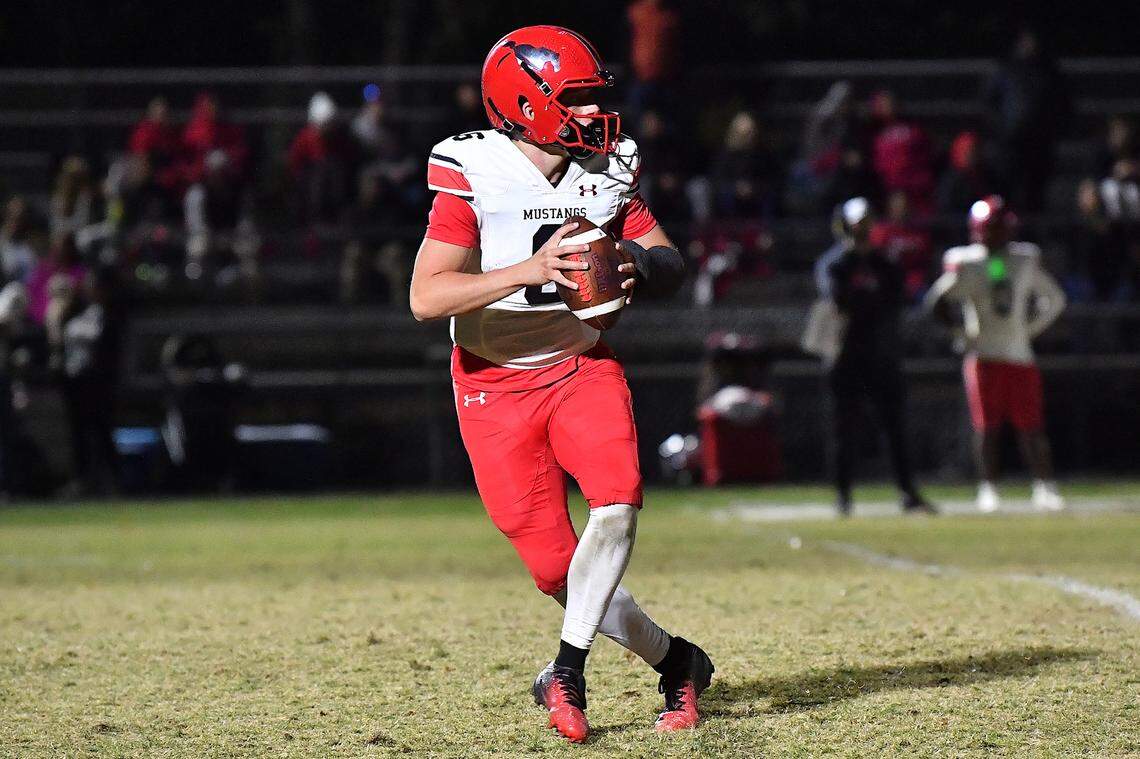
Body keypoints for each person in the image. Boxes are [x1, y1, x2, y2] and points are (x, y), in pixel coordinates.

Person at [409, 26, 711, 743]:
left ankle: (567, 669)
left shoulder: (607, 164)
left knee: (617, 503)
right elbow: (427, 296)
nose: (593, 113)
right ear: (525, 101)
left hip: (579, 364)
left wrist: (638, 258)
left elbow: (671, 260)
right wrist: (529, 269)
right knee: (556, 568)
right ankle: (678, 662)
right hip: (491, 382)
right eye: (575, 98)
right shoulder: (473, 168)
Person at [924, 196, 1067, 511]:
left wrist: (1028, 329)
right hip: (984, 355)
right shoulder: (968, 263)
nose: (999, 234)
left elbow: (1054, 299)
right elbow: (937, 301)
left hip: (1018, 353)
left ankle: (1044, 486)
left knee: (1031, 427)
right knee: (988, 428)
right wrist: (960, 333)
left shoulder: (1023, 259)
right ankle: (988, 488)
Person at [817, 197, 935, 516]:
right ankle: (843, 496)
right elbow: (839, 302)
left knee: (895, 428)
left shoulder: (886, 265)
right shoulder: (836, 265)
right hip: (846, 359)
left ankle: (907, 491)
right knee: (844, 430)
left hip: (882, 357)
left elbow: (893, 303)